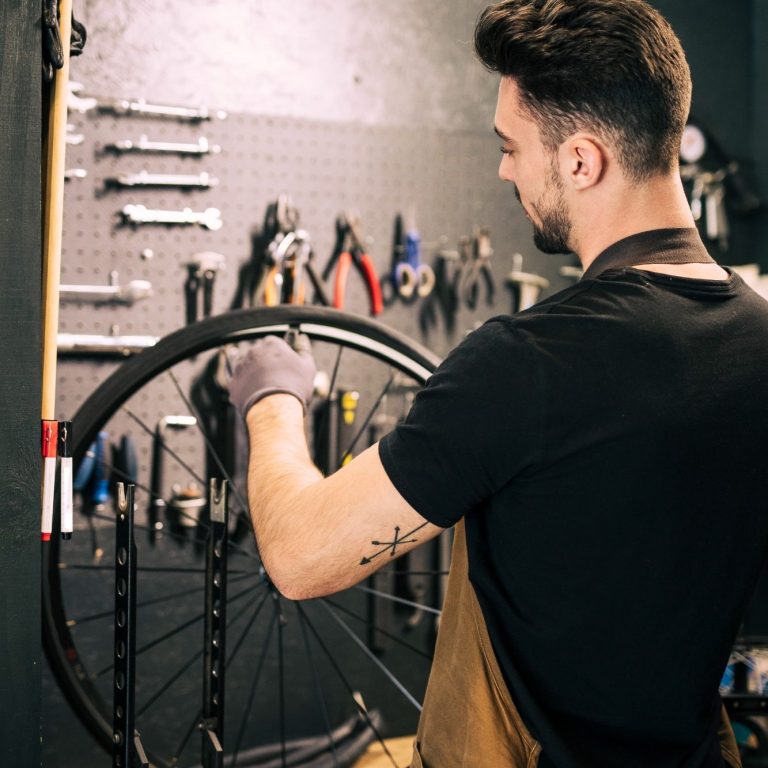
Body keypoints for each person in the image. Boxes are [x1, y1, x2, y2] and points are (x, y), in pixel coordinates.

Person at [228, 1, 768, 766]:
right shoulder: (758, 339)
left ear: (581, 161)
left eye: (512, 146)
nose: (504, 169)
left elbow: (298, 556)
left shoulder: (529, 363)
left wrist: (273, 398)